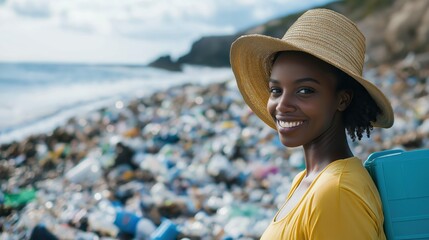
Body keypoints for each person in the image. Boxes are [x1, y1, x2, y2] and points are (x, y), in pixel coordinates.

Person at [230, 8, 394, 239]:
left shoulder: (335, 192)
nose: (282, 105)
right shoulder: (307, 180)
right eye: (276, 90)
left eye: (305, 90)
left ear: (342, 99)